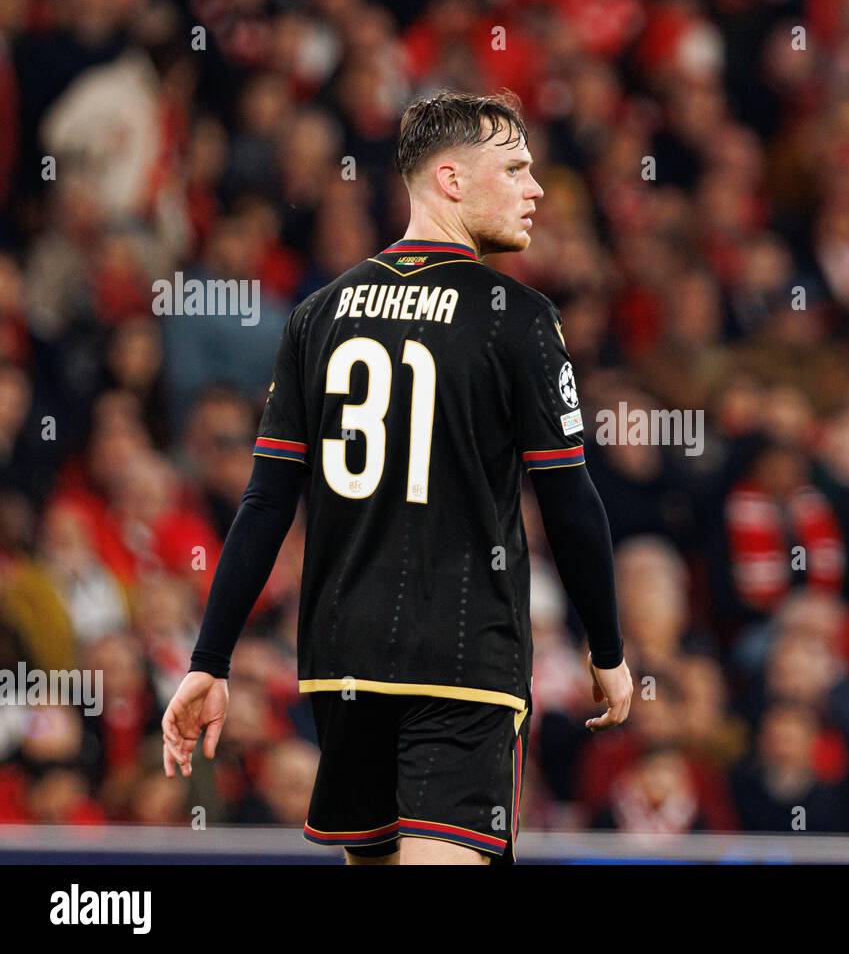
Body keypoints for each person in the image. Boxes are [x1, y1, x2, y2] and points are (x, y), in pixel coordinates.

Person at [160, 90, 633, 865]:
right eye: (514, 168)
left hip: (344, 667)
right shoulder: (517, 317)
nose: (536, 189)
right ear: (450, 179)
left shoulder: (319, 313)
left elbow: (266, 503)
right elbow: (571, 502)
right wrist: (607, 648)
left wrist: (209, 660)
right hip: (462, 667)